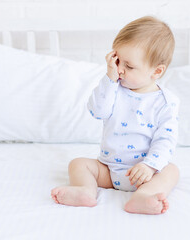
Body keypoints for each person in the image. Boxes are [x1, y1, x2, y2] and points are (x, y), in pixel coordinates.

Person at [51, 16, 180, 215]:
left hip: (144, 174)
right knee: (78, 164)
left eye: (129, 66)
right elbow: (97, 111)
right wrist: (109, 78)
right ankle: (85, 190)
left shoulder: (165, 102)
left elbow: (166, 140)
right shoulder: (113, 88)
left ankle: (143, 196)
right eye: (118, 61)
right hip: (109, 171)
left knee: (171, 171)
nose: (120, 69)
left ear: (157, 71)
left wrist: (149, 166)